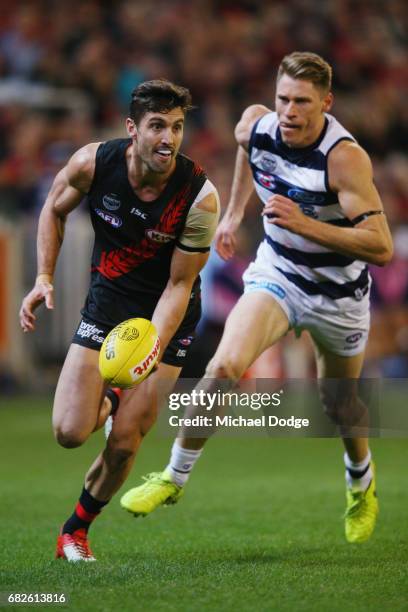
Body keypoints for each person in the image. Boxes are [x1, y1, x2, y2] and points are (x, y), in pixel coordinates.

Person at [120, 52, 393, 544]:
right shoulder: (256, 125)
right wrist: (234, 212)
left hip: (338, 295)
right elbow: (249, 151)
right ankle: (174, 477)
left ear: (326, 103)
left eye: (302, 102)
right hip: (279, 274)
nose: (289, 111)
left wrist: (306, 224)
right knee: (223, 367)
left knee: (340, 405)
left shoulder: (344, 158)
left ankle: (361, 481)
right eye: (283, 98)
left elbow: (381, 246)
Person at [19, 79, 220, 561]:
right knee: (70, 432)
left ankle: (75, 532)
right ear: (133, 129)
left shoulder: (200, 196)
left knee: (127, 442)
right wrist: (44, 276)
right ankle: (109, 398)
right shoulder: (93, 163)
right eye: (157, 126)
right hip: (109, 303)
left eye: (176, 126)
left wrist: (151, 347)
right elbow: (54, 209)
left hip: (167, 316)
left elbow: (179, 285)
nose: (168, 138)